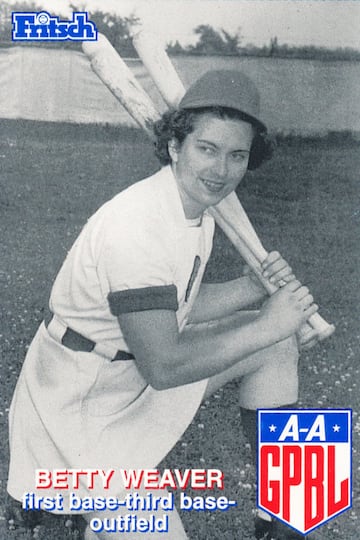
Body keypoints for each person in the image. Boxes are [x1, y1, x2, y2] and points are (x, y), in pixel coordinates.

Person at [7, 70, 318, 540]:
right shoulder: (137, 228)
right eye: (206, 149)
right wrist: (265, 325)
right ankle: (66, 504)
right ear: (175, 146)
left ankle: (294, 518)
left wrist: (251, 288)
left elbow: (179, 303)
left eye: (237, 155)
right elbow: (164, 366)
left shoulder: (193, 209)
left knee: (277, 347)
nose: (220, 170)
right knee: (268, 337)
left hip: (127, 371)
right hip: (81, 404)